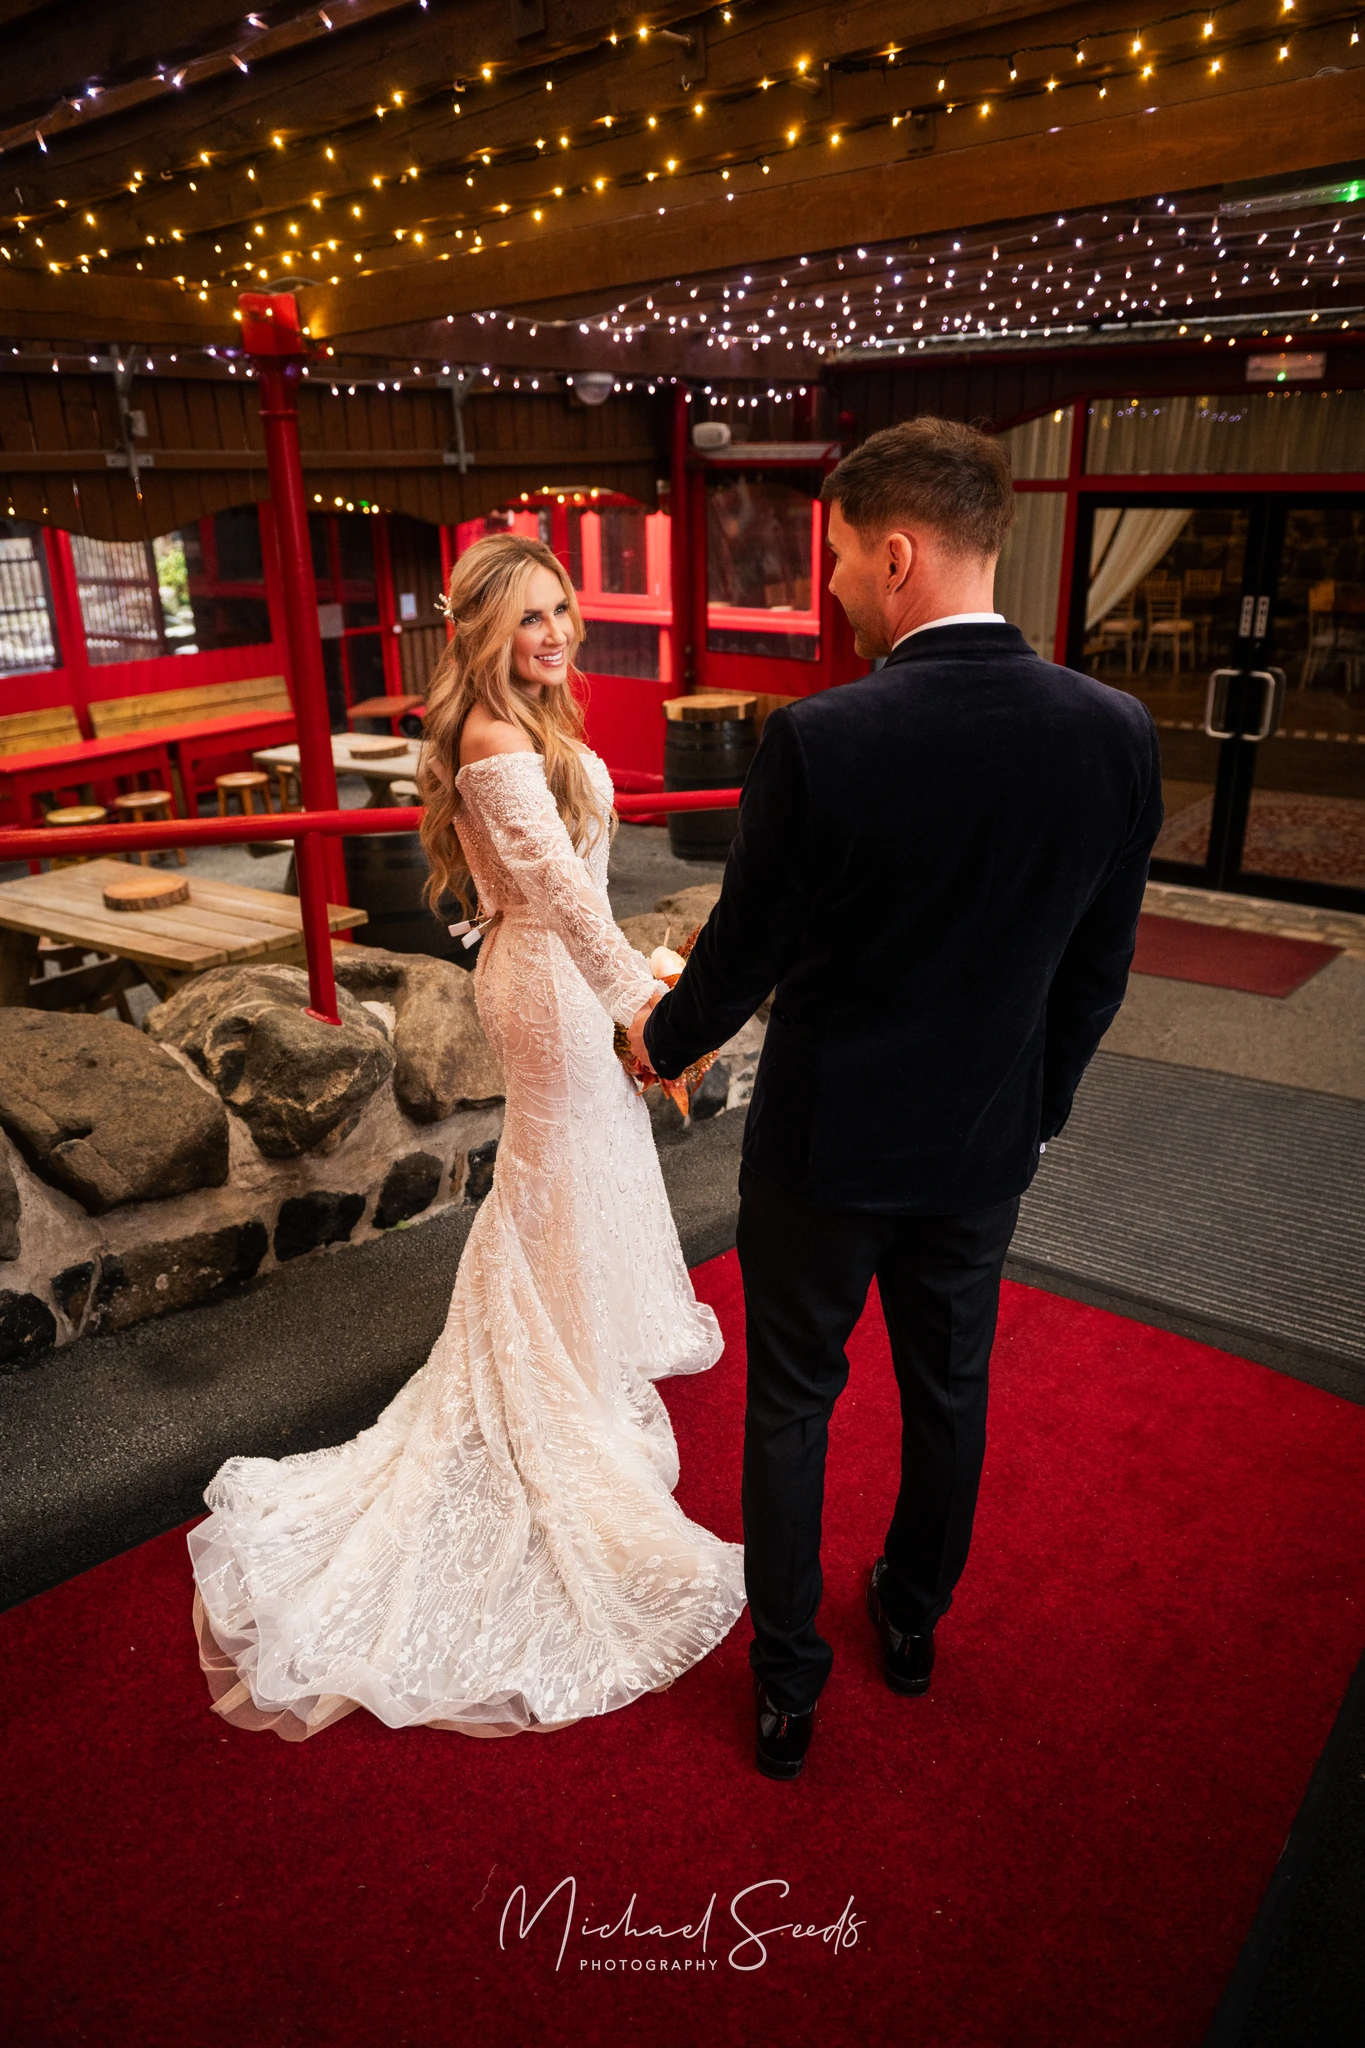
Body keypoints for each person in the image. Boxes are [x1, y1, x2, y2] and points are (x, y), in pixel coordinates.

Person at [631, 416, 1163, 1781]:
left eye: (841, 562)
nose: (836, 589)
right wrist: (1028, 1110)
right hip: (983, 1145)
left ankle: (789, 1685)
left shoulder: (824, 737)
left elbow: (742, 955)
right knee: (950, 1393)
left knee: (792, 1404)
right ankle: (913, 1623)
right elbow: (1095, 975)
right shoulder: (1114, 734)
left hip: (823, 1149)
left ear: (900, 551)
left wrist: (661, 1038)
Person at [188, 533, 745, 1741]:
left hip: (557, 973)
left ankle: (571, 1368)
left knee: (573, 1179)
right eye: (527, 619)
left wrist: (641, 987)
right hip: (548, 987)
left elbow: (578, 886)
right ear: (479, 630)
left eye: (562, 612)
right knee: (554, 1176)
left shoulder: (528, 724)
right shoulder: (494, 742)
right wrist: (647, 1007)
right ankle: (545, 1392)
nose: (553, 636)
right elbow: (562, 896)